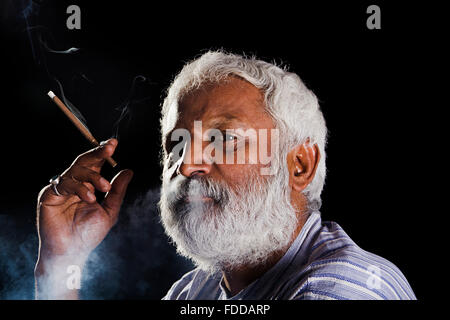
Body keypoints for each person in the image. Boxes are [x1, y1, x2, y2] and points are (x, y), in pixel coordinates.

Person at [34, 51, 416, 300]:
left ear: (299, 166)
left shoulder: (346, 289)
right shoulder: (194, 292)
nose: (185, 165)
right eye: (176, 145)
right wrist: (62, 257)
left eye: (223, 139)